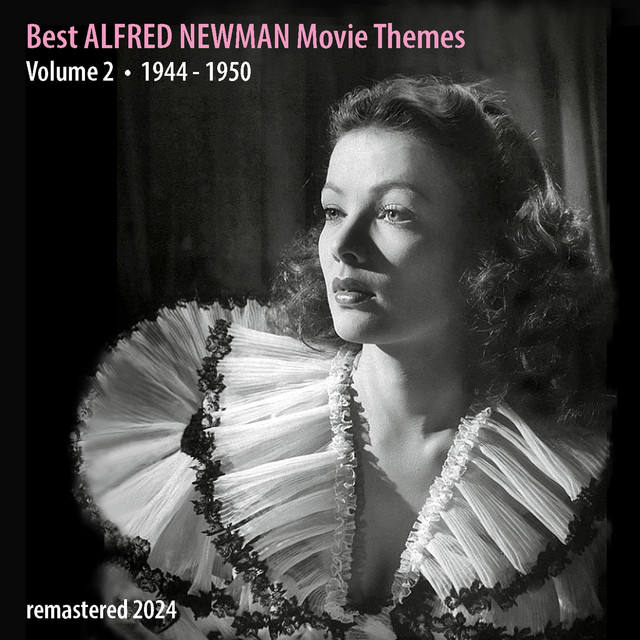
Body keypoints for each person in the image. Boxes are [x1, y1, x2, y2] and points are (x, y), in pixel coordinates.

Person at [73, 75, 612, 640]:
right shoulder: (235, 433)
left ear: (490, 247)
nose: (343, 245)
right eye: (333, 210)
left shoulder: (556, 483)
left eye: (394, 213)